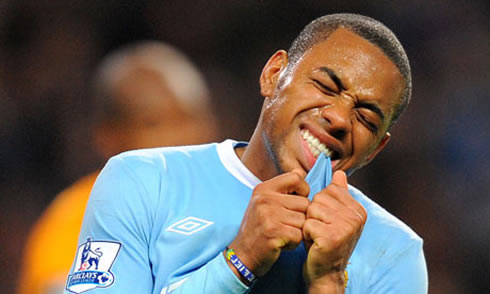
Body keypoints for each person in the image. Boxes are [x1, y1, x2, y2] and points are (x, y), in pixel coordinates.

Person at [64, 13, 428, 294]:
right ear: (273, 74)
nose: (338, 118)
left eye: (365, 117)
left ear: (377, 147)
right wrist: (240, 261)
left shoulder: (395, 253)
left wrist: (329, 282)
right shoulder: (141, 182)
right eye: (324, 86)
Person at [17, 41, 219, 294]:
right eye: (153, 124)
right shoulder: (78, 217)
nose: (182, 138)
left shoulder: (233, 202)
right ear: (108, 137)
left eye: (189, 118)